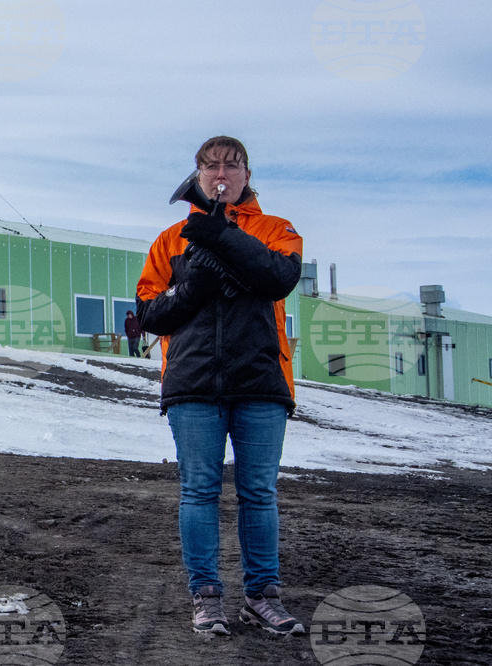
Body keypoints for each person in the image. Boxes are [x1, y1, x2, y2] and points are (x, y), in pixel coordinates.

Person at [135, 136, 304, 636]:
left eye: (233, 165)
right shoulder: (170, 240)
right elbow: (148, 313)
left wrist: (218, 234)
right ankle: (206, 598)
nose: (221, 172)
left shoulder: (278, 230)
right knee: (199, 492)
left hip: (260, 381)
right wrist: (194, 286)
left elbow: (277, 277)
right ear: (200, 175)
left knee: (258, 492)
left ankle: (262, 597)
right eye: (210, 166)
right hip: (192, 382)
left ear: (248, 176)